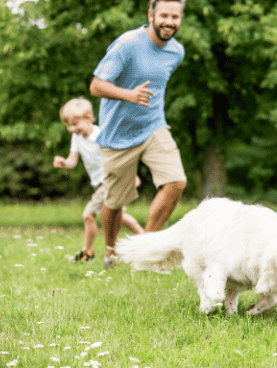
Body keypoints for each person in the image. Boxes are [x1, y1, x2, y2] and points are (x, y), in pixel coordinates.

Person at [89, 0, 187, 269]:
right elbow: (96, 85)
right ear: (151, 15)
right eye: (164, 15)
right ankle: (110, 253)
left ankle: (146, 247)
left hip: (153, 126)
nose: (169, 21)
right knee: (114, 202)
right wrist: (128, 94)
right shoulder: (128, 44)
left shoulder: (176, 52)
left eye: (175, 17)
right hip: (116, 134)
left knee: (176, 182)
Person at [53, 98, 144, 262]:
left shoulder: (101, 135)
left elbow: (119, 156)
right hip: (98, 184)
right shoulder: (77, 137)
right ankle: (147, 240)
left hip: (109, 180)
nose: (71, 129)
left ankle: (87, 252)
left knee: (88, 215)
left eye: (75, 124)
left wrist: (132, 176)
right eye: (68, 125)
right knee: (118, 216)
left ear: (88, 118)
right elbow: (73, 161)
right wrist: (64, 163)